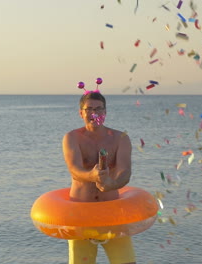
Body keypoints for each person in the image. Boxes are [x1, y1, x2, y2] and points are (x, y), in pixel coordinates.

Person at [62, 90, 136, 264]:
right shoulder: (72, 138)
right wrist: (92, 175)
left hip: (112, 213)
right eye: (89, 109)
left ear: (105, 112)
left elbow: (125, 171)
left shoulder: (120, 138)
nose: (94, 113)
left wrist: (111, 184)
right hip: (81, 213)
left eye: (99, 109)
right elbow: (74, 170)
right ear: (81, 113)